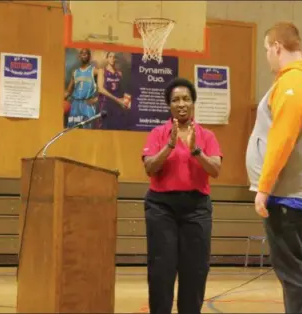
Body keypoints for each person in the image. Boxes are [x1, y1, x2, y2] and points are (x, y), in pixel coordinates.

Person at [245, 22, 302, 313]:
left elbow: (282, 139)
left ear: (277, 48)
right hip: (295, 190)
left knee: (292, 272)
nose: (267, 55)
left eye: (267, 49)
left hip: (287, 192)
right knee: (294, 269)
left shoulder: (293, 83)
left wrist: (264, 188)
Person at [141, 77, 223, 314]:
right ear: (169, 105)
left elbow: (215, 169)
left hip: (196, 208)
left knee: (195, 270)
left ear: (193, 102)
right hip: (161, 208)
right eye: (175, 99)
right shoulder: (158, 133)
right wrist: (168, 146)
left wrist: (196, 150)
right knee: (161, 270)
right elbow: (149, 168)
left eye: (186, 98)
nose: (181, 104)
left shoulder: (206, 135)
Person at [64, 48, 99, 129]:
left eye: (86, 53)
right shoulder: (75, 72)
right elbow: (68, 92)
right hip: (75, 104)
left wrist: (96, 99)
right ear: (79, 56)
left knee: (88, 131)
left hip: (87, 104)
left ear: (89, 56)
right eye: (82, 53)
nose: (84, 55)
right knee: (72, 130)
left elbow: (104, 87)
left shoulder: (94, 71)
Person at [97, 51, 130, 130]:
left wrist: (126, 102)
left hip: (117, 106)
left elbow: (123, 90)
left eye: (114, 57)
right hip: (105, 104)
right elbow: (101, 89)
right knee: (104, 128)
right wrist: (117, 100)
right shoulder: (102, 71)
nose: (112, 59)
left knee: (117, 128)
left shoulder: (119, 73)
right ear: (107, 58)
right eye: (110, 56)